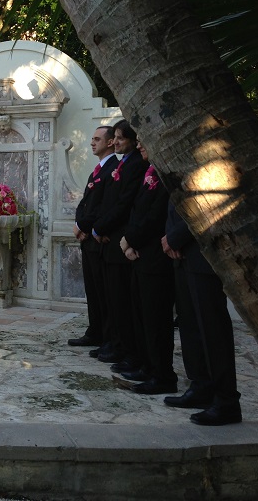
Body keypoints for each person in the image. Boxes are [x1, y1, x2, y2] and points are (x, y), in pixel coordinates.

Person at [162, 203, 242, 425]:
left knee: (212, 328)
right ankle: (201, 385)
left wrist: (176, 237)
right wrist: (171, 236)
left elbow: (209, 206)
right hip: (182, 253)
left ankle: (226, 401)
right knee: (189, 325)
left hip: (203, 251)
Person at [118, 138, 176, 394]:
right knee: (141, 316)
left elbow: (155, 217)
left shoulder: (164, 175)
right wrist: (129, 243)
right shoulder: (149, 172)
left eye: (144, 141)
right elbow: (136, 211)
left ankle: (163, 375)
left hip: (155, 257)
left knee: (156, 321)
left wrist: (130, 240)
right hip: (140, 255)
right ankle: (148, 366)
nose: (140, 145)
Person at [91, 119, 148, 367]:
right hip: (107, 239)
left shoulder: (133, 165)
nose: (115, 142)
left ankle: (127, 350)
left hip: (118, 240)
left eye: (120, 138)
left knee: (122, 302)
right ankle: (117, 345)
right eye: (113, 137)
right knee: (112, 301)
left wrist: (99, 228)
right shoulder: (123, 164)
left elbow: (124, 204)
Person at [70, 126, 118, 351]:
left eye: (97, 139)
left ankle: (108, 337)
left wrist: (84, 226)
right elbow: (85, 202)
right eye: (92, 138)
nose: (92, 143)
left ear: (110, 143)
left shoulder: (113, 170)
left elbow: (104, 205)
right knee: (92, 289)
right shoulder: (97, 170)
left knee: (104, 291)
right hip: (87, 237)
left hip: (97, 238)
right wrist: (78, 223)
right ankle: (95, 330)